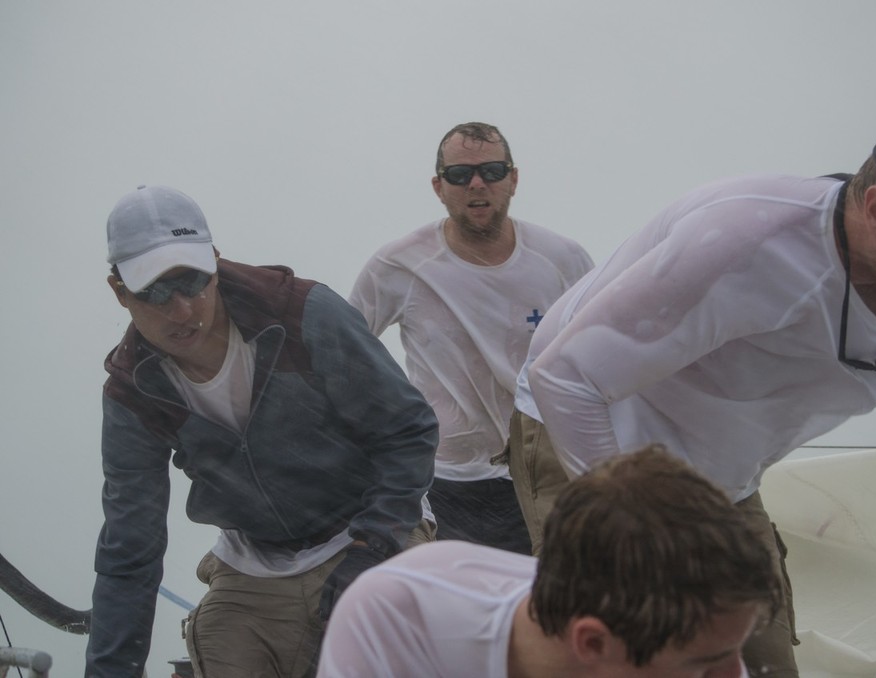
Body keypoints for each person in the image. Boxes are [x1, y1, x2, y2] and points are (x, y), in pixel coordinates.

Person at [509, 106, 876, 677]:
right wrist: (640, 534)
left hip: (721, 478)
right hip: (590, 434)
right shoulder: (748, 244)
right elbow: (564, 379)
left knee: (764, 664)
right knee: (633, 656)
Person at [86, 185, 439, 678]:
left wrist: (372, 544)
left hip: (368, 529)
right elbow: (130, 549)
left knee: (397, 639)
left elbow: (409, 429)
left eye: (191, 281)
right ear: (119, 291)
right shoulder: (131, 394)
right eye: (154, 291)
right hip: (254, 563)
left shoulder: (303, 312)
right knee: (218, 642)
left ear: (214, 259)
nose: (182, 310)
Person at [316, 444, 782, 678]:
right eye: (702, 666)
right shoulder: (402, 617)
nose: (733, 675)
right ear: (594, 643)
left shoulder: (697, 634)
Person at [349, 122, 592, 555]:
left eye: (492, 171)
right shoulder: (398, 265)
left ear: (513, 179)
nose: (477, 184)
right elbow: (343, 356)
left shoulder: (563, 260)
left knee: (558, 601)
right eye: (460, 175)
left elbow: (597, 358)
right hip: (445, 480)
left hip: (544, 471)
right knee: (460, 614)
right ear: (439, 186)